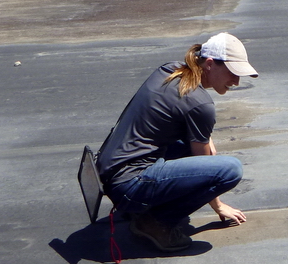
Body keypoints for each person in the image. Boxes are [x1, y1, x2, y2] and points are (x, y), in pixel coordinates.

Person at [97, 32, 259, 252]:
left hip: (111, 173)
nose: (237, 81)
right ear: (210, 64)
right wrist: (218, 206)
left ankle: (140, 209)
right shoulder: (200, 104)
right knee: (230, 170)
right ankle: (155, 222)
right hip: (129, 184)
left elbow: (193, 126)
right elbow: (206, 163)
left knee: (190, 149)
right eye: (232, 72)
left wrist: (205, 139)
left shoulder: (170, 71)